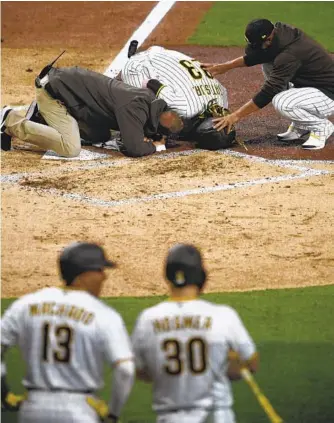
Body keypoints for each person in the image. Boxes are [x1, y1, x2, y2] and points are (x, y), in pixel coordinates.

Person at [1, 242, 135, 423]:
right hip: (79, 411)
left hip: (32, 410)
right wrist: (113, 414)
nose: (104, 277)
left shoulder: (27, 304)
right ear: (83, 275)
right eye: (99, 270)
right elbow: (125, 370)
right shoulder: (102, 313)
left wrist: (3, 392)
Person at [131, 243, 258, 423]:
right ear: (201, 276)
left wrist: (166, 370)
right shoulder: (223, 316)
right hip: (217, 417)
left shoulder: (148, 320)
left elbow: (139, 370)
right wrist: (227, 366)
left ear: (167, 275)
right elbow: (251, 363)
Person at [1, 63, 183, 157]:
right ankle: (10, 120)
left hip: (69, 91)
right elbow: (134, 147)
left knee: (99, 135)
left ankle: (40, 116)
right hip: (54, 92)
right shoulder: (133, 109)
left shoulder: (151, 101)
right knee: (70, 148)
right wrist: (156, 147)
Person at [203, 19, 334, 150]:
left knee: (282, 102)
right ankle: (301, 125)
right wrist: (224, 67)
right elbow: (258, 56)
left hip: (328, 94)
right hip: (312, 87)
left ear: (269, 39)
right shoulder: (278, 36)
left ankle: (321, 127)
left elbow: (269, 91)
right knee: (268, 63)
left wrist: (235, 116)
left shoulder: (289, 54)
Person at [119, 45, 235, 150]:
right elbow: (152, 83)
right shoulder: (184, 108)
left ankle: (151, 51)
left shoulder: (222, 100)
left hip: (164, 54)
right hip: (137, 66)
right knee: (144, 100)